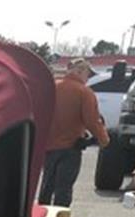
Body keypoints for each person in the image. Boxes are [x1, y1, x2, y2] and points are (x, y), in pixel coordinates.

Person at [38, 58, 110, 206]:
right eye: (87, 74)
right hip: (71, 147)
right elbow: (92, 121)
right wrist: (104, 140)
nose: (87, 78)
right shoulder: (84, 92)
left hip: (48, 147)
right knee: (63, 189)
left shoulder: (51, 87)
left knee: (46, 186)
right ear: (81, 71)